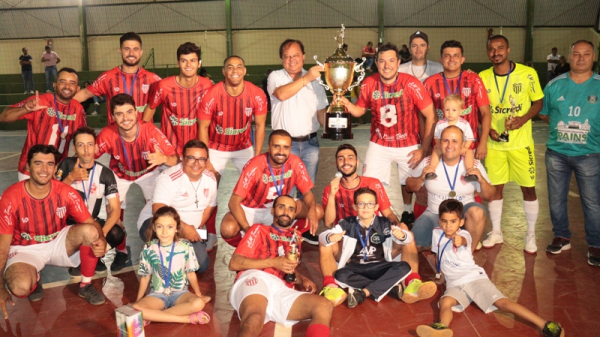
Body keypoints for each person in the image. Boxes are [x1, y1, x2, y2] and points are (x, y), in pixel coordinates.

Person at [416, 199, 565, 337]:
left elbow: (463, 241)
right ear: (439, 221)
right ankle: (442, 327)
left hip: (474, 278)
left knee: (503, 304)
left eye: (453, 221)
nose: (448, 225)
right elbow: (439, 255)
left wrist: (459, 240)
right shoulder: (437, 233)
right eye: (444, 221)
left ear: (461, 222)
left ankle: (545, 324)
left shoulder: (464, 235)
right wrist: (441, 275)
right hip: (454, 283)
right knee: (445, 302)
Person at [319, 144, 435, 306]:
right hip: (348, 242)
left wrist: (398, 226)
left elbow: (387, 213)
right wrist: (332, 194)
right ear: (336, 164)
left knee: (408, 238)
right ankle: (332, 286)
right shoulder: (331, 189)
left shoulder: (372, 183)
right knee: (325, 245)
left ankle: (412, 282)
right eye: (341, 158)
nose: (346, 161)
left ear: (358, 162)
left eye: (350, 157)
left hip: (376, 240)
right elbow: (328, 222)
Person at [0, 145, 107, 319]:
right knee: (20, 287)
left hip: (57, 241)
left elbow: (92, 223)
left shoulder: (66, 192)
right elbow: (2, 248)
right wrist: (0, 287)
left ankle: (85, 285)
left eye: (50, 164)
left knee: (90, 231)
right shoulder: (11, 197)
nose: (44, 169)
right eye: (38, 163)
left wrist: (101, 240)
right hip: (25, 249)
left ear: (55, 168)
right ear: (28, 167)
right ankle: (34, 278)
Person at [338, 42, 436, 229]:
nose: (386, 65)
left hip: (408, 144)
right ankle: (370, 225)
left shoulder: (411, 83)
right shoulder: (369, 83)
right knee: (367, 188)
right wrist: (345, 103)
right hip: (380, 144)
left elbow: (430, 115)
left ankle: (418, 220)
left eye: (391, 60)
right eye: (382, 61)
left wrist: (423, 150)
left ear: (399, 62)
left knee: (420, 188)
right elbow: (359, 110)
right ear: (376, 62)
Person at [228, 195, 333, 337]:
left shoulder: (295, 238)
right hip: (256, 277)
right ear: (272, 211)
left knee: (324, 306)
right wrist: (273, 262)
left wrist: (301, 279)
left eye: (291, 209)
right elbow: (234, 263)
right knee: (254, 318)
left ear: (294, 215)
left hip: (281, 287)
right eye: (281, 207)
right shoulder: (258, 230)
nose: (285, 211)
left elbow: (287, 268)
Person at [96, 93, 178, 272]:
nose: (125, 118)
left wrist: (162, 157)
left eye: (129, 112)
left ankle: (161, 246)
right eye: (119, 114)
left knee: (161, 209)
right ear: (112, 116)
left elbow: (175, 159)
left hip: (149, 173)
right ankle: (121, 250)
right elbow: (89, 155)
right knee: (112, 215)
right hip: (121, 174)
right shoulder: (107, 134)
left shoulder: (150, 131)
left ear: (136, 113)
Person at [479, 35, 544, 254]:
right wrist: (488, 130)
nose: (495, 52)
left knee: (528, 189)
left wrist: (524, 119)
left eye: (500, 48)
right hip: (495, 145)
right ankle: (496, 232)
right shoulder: (483, 77)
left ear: (508, 50)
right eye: (491, 49)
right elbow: (481, 110)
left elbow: (538, 102)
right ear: (488, 52)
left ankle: (531, 233)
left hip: (520, 145)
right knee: (496, 188)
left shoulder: (528, 73)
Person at [538, 40, 600, 266]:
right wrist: (560, 124)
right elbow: (544, 112)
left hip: (590, 154)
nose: (581, 58)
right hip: (557, 153)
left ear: (593, 57)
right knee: (555, 199)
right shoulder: (554, 85)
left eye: (586, 54)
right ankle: (562, 236)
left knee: (592, 202)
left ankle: (596, 244)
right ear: (569, 56)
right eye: (576, 54)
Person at [220, 130, 322, 246]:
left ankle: (285, 238)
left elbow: (307, 193)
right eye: (276, 146)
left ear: (290, 148)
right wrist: (247, 229)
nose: (281, 152)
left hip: (277, 209)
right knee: (228, 229)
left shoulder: (295, 162)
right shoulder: (255, 166)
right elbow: (233, 202)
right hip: (250, 210)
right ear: (269, 146)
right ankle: (249, 246)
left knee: (317, 211)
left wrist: (312, 211)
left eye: (285, 147)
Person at [406, 126, 495, 252]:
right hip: (435, 213)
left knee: (477, 212)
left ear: (463, 144)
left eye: (454, 141)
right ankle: (440, 242)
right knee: (413, 245)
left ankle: (468, 254)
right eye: (445, 141)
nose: (449, 145)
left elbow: (490, 196)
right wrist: (421, 178)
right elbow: (409, 186)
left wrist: (481, 180)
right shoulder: (429, 162)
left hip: (462, 216)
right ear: (440, 143)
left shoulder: (473, 165)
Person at [137, 139, 218, 270]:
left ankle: (171, 253)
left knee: (201, 265)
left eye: (201, 159)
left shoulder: (211, 179)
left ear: (207, 161)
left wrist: (196, 227)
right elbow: (158, 210)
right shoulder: (169, 177)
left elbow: (210, 206)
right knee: (171, 262)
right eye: (191, 158)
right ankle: (156, 252)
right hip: (156, 223)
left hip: (188, 229)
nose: (196, 164)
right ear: (182, 158)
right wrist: (184, 229)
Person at [56, 126, 124, 273]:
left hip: (91, 222)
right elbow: (51, 196)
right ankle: (79, 257)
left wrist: (102, 235)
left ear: (96, 147)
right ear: (74, 148)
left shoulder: (105, 174)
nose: (86, 150)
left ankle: (93, 254)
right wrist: (71, 178)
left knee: (117, 233)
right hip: (67, 225)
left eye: (90, 144)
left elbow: (115, 209)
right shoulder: (67, 165)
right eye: (81, 145)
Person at [268, 39, 327, 204]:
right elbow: (281, 94)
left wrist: (337, 124)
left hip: (311, 144)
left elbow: (321, 113)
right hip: (284, 146)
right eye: (287, 56)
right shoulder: (276, 76)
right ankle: (281, 230)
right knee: (283, 192)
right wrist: (307, 78)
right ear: (282, 59)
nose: (291, 60)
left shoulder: (316, 81)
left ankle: (305, 230)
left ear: (303, 56)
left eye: (295, 55)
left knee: (307, 191)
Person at [0, 67, 87, 181]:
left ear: (77, 88)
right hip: (31, 169)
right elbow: (4, 116)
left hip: (58, 170)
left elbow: (83, 138)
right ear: (54, 85)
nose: (67, 86)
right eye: (62, 81)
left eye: (72, 83)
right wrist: (26, 109)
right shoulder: (40, 101)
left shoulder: (78, 109)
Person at [132, 206, 211, 325]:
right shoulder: (149, 248)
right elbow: (145, 277)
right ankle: (186, 318)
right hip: (157, 295)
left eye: (170, 227)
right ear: (154, 227)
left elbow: (190, 273)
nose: (164, 232)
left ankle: (155, 316)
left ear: (177, 228)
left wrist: (199, 295)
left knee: (198, 303)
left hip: (181, 294)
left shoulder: (185, 245)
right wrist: (138, 300)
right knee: (136, 308)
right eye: (159, 227)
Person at [199, 55, 267, 174]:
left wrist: (257, 156)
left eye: (239, 67)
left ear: (244, 71)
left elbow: (260, 126)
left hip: (243, 147)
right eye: (230, 67)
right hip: (216, 146)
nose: (235, 71)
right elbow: (203, 127)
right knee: (208, 183)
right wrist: (206, 157)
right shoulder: (211, 94)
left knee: (255, 181)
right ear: (224, 71)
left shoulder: (257, 94)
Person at [74, 32, 161, 124]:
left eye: (135, 49)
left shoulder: (153, 79)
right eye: (127, 49)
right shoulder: (108, 77)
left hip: (143, 135)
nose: (131, 53)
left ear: (141, 52)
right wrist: (58, 103)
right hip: (115, 135)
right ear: (120, 51)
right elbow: (85, 94)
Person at [142, 42, 212, 156]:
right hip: (169, 150)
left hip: (196, 150)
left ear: (199, 63)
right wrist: (144, 136)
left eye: (193, 60)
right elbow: (150, 108)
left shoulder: (207, 85)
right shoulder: (164, 86)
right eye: (184, 61)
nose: (188, 65)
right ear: (178, 63)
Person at [425, 95, 476, 182]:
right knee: (436, 151)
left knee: (470, 152)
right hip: (445, 148)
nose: (450, 113)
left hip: (459, 148)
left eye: (454, 110)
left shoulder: (464, 124)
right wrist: (438, 144)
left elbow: (470, 138)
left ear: (461, 111)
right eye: (447, 110)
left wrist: (465, 147)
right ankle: (431, 170)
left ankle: (470, 172)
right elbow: (437, 136)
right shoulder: (440, 123)